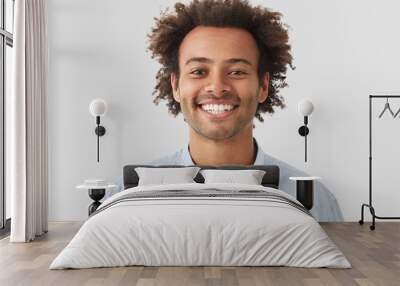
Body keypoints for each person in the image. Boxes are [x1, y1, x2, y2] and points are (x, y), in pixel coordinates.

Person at [110, 0, 343, 221]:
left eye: (237, 71)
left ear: (262, 86)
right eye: (199, 71)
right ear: (175, 86)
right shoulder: (124, 196)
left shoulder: (317, 202)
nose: (217, 87)